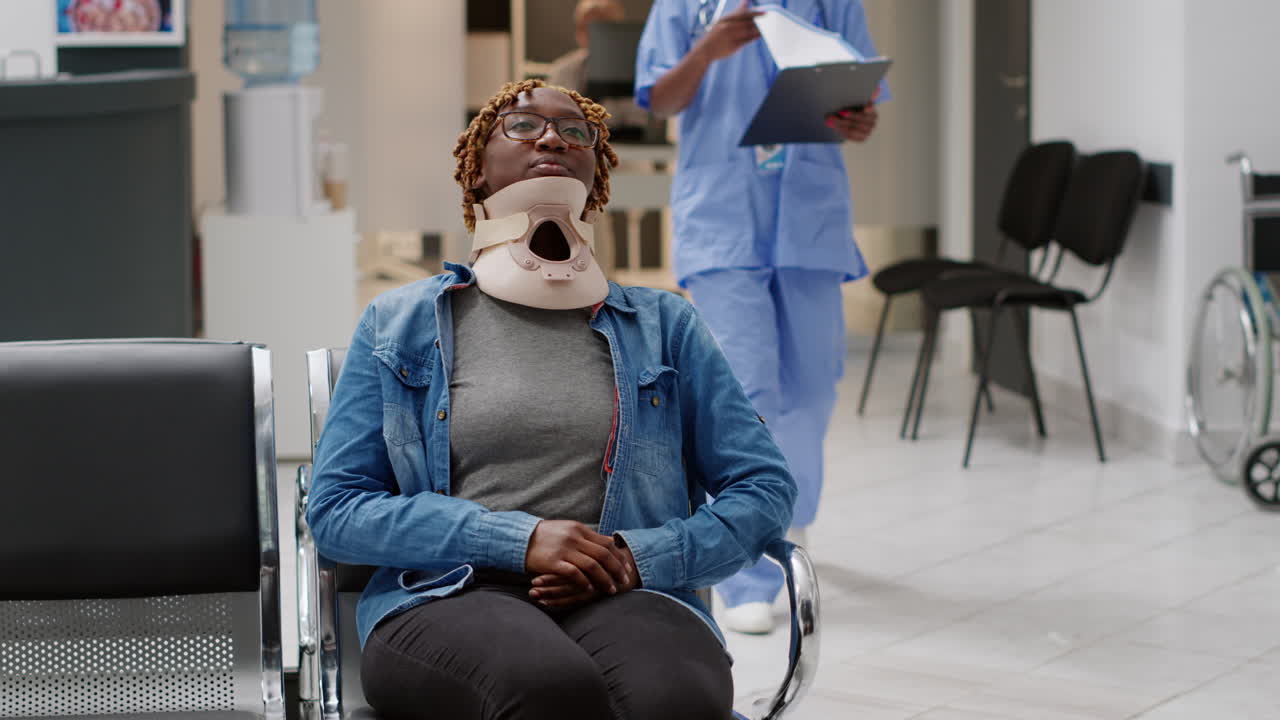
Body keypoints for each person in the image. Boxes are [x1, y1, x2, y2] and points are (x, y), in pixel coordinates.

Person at [307, 79, 797, 720]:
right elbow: (337, 510)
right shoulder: (399, 322)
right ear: (476, 171)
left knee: (679, 699)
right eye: (523, 125)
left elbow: (763, 488)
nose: (551, 138)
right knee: (548, 690)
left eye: (575, 131)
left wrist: (634, 557)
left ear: (595, 175)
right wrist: (518, 539)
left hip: (627, 590)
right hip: (447, 593)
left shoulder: (665, 326)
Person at [635, 0, 887, 634]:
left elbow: (860, 100)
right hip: (723, 215)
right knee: (748, 394)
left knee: (812, 385)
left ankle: (789, 521)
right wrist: (707, 52)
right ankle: (745, 567)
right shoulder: (684, 6)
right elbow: (658, 99)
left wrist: (858, 120)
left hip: (809, 215)